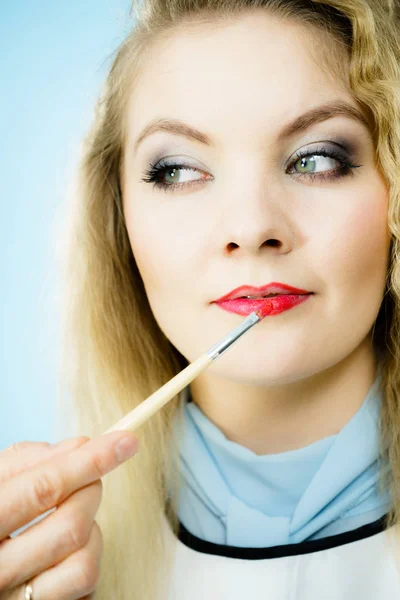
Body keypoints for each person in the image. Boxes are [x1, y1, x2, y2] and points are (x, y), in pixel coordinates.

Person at [1, 0, 400, 598]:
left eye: (316, 160)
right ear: (118, 223)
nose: (250, 225)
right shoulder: (56, 564)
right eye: (180, 171)